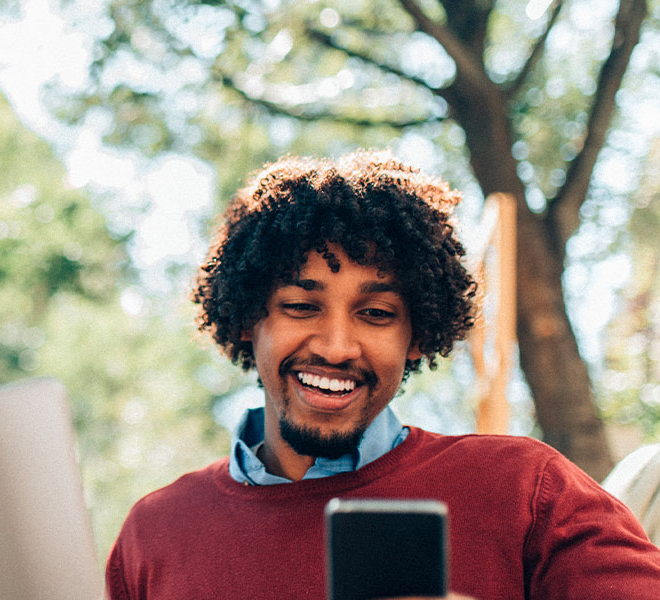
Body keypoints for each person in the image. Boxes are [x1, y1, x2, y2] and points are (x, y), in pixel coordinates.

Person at [105, 151, 660, 599]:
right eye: (301, 306)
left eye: (376, 314)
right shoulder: (154, 534)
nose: (337, 347)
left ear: (416, 334)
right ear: (251, 318)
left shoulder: (527, 490)